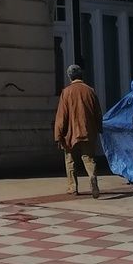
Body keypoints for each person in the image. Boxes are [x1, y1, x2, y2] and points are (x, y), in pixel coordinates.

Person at [53, 63, 104, 197]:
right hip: (88, 131)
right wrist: (99, 128)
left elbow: (62, 115)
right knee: (89, 158)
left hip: (70, 134)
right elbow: (98, 112)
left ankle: (73, 187)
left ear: (69, 77)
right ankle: (92, 177)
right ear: (81, 75)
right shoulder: (90, 91)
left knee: (70, 160)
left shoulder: (66, 92)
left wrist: (58, 134)